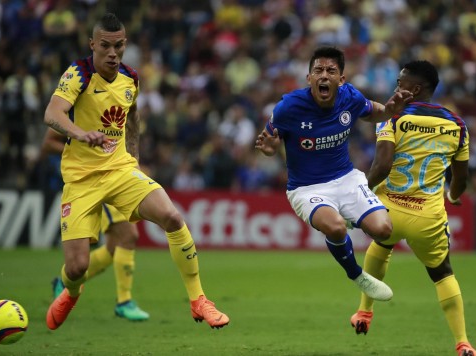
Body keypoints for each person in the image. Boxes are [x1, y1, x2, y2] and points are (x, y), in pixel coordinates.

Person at [43, 13, 229, 330]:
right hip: (81, 180)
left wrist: (134, 157)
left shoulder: (131, 78)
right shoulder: (79, 74)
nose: (113, 53)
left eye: (119, 46)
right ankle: (71, 292)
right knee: (76, 267)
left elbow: (132, 117)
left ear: (125, 45)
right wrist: (80, 133)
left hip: (120, 170)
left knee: (171, 216)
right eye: (105, 46)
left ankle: (199, 301)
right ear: (92, 45)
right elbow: (52, 113)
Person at [255, 46, 413, 305]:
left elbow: (377, 112)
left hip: (347, 179)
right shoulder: (288, 107)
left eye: (331, 71)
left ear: (341, 79)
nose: (324, 76)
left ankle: (348, 218)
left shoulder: (350, 97)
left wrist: (390, 110)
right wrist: (271, 150)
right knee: (336, 227)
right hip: (307, 188)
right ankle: (356, 274)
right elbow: (269, 143)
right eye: (318, 70)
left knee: (383, 230)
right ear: (309, 78)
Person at [351, 60, 476, 356]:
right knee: (443, 273)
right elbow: (461, 178)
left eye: (401, 83)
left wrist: (360, 191)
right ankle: (463, 342)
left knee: (382, 244)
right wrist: (454, 194)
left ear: (415, 88)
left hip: (390, 210)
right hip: (428, 216)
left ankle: (364, 312)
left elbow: (382, 165)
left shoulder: (393, 116)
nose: (396, 87)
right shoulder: (456, 124)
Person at [42, 128, 150, 321]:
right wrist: (85, 150)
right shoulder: (75, 102)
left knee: (112, 248)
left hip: (120, 174)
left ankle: (65, 282)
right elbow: (48, 142)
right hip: (94, 178)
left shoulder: (118, 101)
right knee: (129, 235)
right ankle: (124, 302)